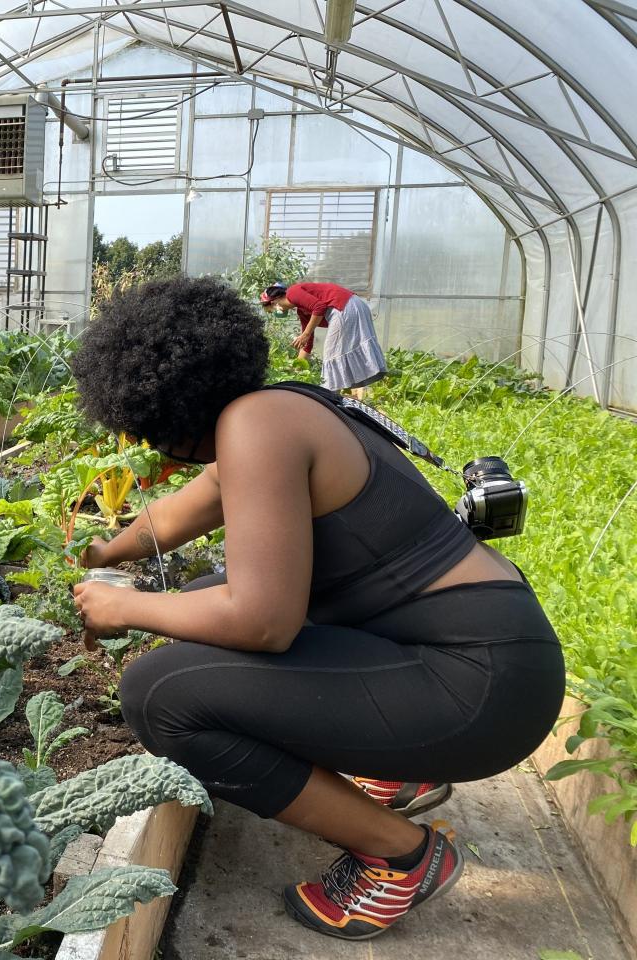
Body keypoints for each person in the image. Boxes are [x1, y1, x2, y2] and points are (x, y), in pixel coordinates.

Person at [70, 276, 564, 941]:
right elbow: (170, 518)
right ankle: (401, 768)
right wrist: (101, 554)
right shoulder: (284, 407)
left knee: (160, 695)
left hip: (482, 690)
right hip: (490, 656)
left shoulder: (254, 428)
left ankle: (400, 856)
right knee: (196, 603)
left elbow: (262, 623)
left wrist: (126, 608)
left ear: (163, 414)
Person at [261, 280, 386, 400]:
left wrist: (305, 334)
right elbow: (307, 343)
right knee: (340, 351)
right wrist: (296, 368)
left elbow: (319, 307)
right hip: (354, 305)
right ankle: (336, 395)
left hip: (344, 307)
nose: (274, 313)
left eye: (271, 311)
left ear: (274, 302)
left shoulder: (292, 292)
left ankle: (329, 399)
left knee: (331, 353)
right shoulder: (302, 310)